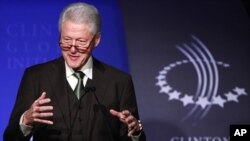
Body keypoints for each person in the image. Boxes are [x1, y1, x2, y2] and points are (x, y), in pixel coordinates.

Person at [4, 2, 146, 141]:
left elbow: (133, 133)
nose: (72, 49)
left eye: (81, 42)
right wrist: (26, 121)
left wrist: (135, 133)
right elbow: (10, 137)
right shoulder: (36, 77)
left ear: (96, 40)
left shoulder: (119, 82)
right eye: (66, 40)